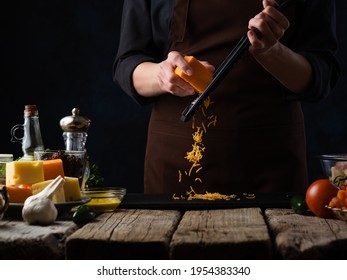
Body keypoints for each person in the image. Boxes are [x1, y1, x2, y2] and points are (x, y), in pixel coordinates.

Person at [113, 0, 340, 194]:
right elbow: (127, 63)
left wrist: (272, 52)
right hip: (176, 164)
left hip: (272, 165)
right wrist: (161, 75)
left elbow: (321, 76)